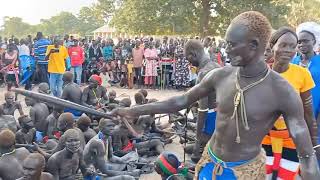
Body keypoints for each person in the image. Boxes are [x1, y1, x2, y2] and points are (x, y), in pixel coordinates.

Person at [111, 11, 320, 179]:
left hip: (244, 172)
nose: (226, 50)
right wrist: (132, 111)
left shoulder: (282, 91)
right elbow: (181, 100)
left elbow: (306, 154)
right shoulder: (220, 76)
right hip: (208, 163)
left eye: (231, 44)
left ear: (254, 45)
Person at [262, 27, 318, 179]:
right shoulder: (260, 73)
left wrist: (314, 145)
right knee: (262, 175)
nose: (289, 50)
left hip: (291, 139)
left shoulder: (302, 74)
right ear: (273, 46)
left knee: (285, 176)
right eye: (283, 45)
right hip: (262, 137)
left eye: (293, 46)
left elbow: (308, 114)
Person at [183, 40, 220, 162]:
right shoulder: (217, 66)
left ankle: (203, 145)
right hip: (221, 115)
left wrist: (198, 141)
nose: (190, 63)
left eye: (188, 59)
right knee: (188, 148)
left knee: (194, 155)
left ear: (192, 54)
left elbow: (203, 110)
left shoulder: (203, 74)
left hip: (211, 118)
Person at [292, 30, 320, 144]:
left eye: (305, 41)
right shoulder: (294, 62)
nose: (301, 44)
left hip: (315, 112)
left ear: (313, 41)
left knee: (315, 145)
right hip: (295, 113)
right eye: (299, 42)